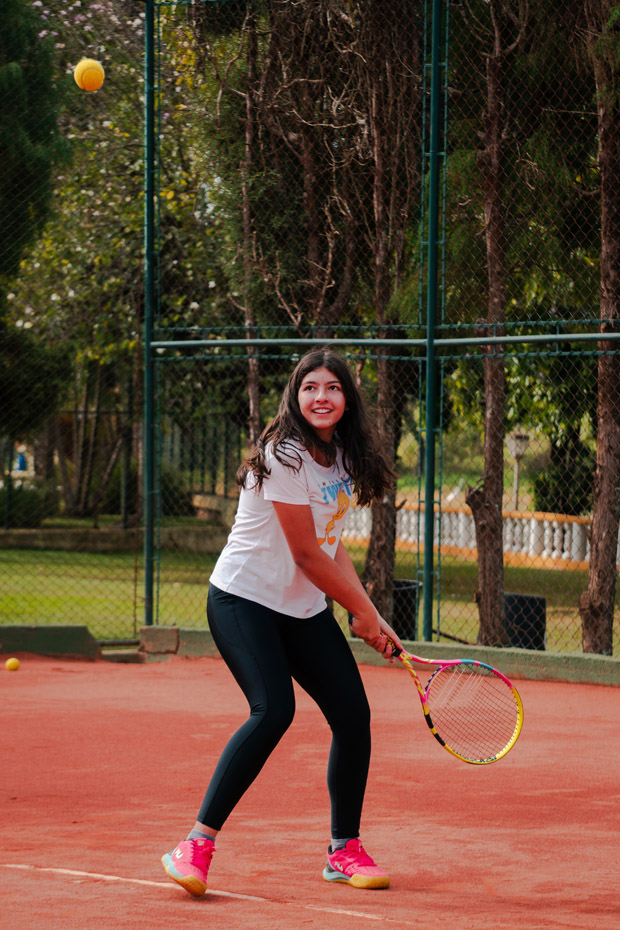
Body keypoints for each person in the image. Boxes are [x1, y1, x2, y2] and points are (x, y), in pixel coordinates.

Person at [161, 346, 402, 897]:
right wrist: (363, 613)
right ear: (295, 396)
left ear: (347, 399)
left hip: (302, 609)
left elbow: (330, 544)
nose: (322, 397)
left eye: (333, 387)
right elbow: (306, 555)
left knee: (353, 715)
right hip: (243, 599)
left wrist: (367, 611)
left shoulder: (342, 456)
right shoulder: (283, 455)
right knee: (273, 710)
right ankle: (194, 845)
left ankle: (343, 850)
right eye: (310, 387)